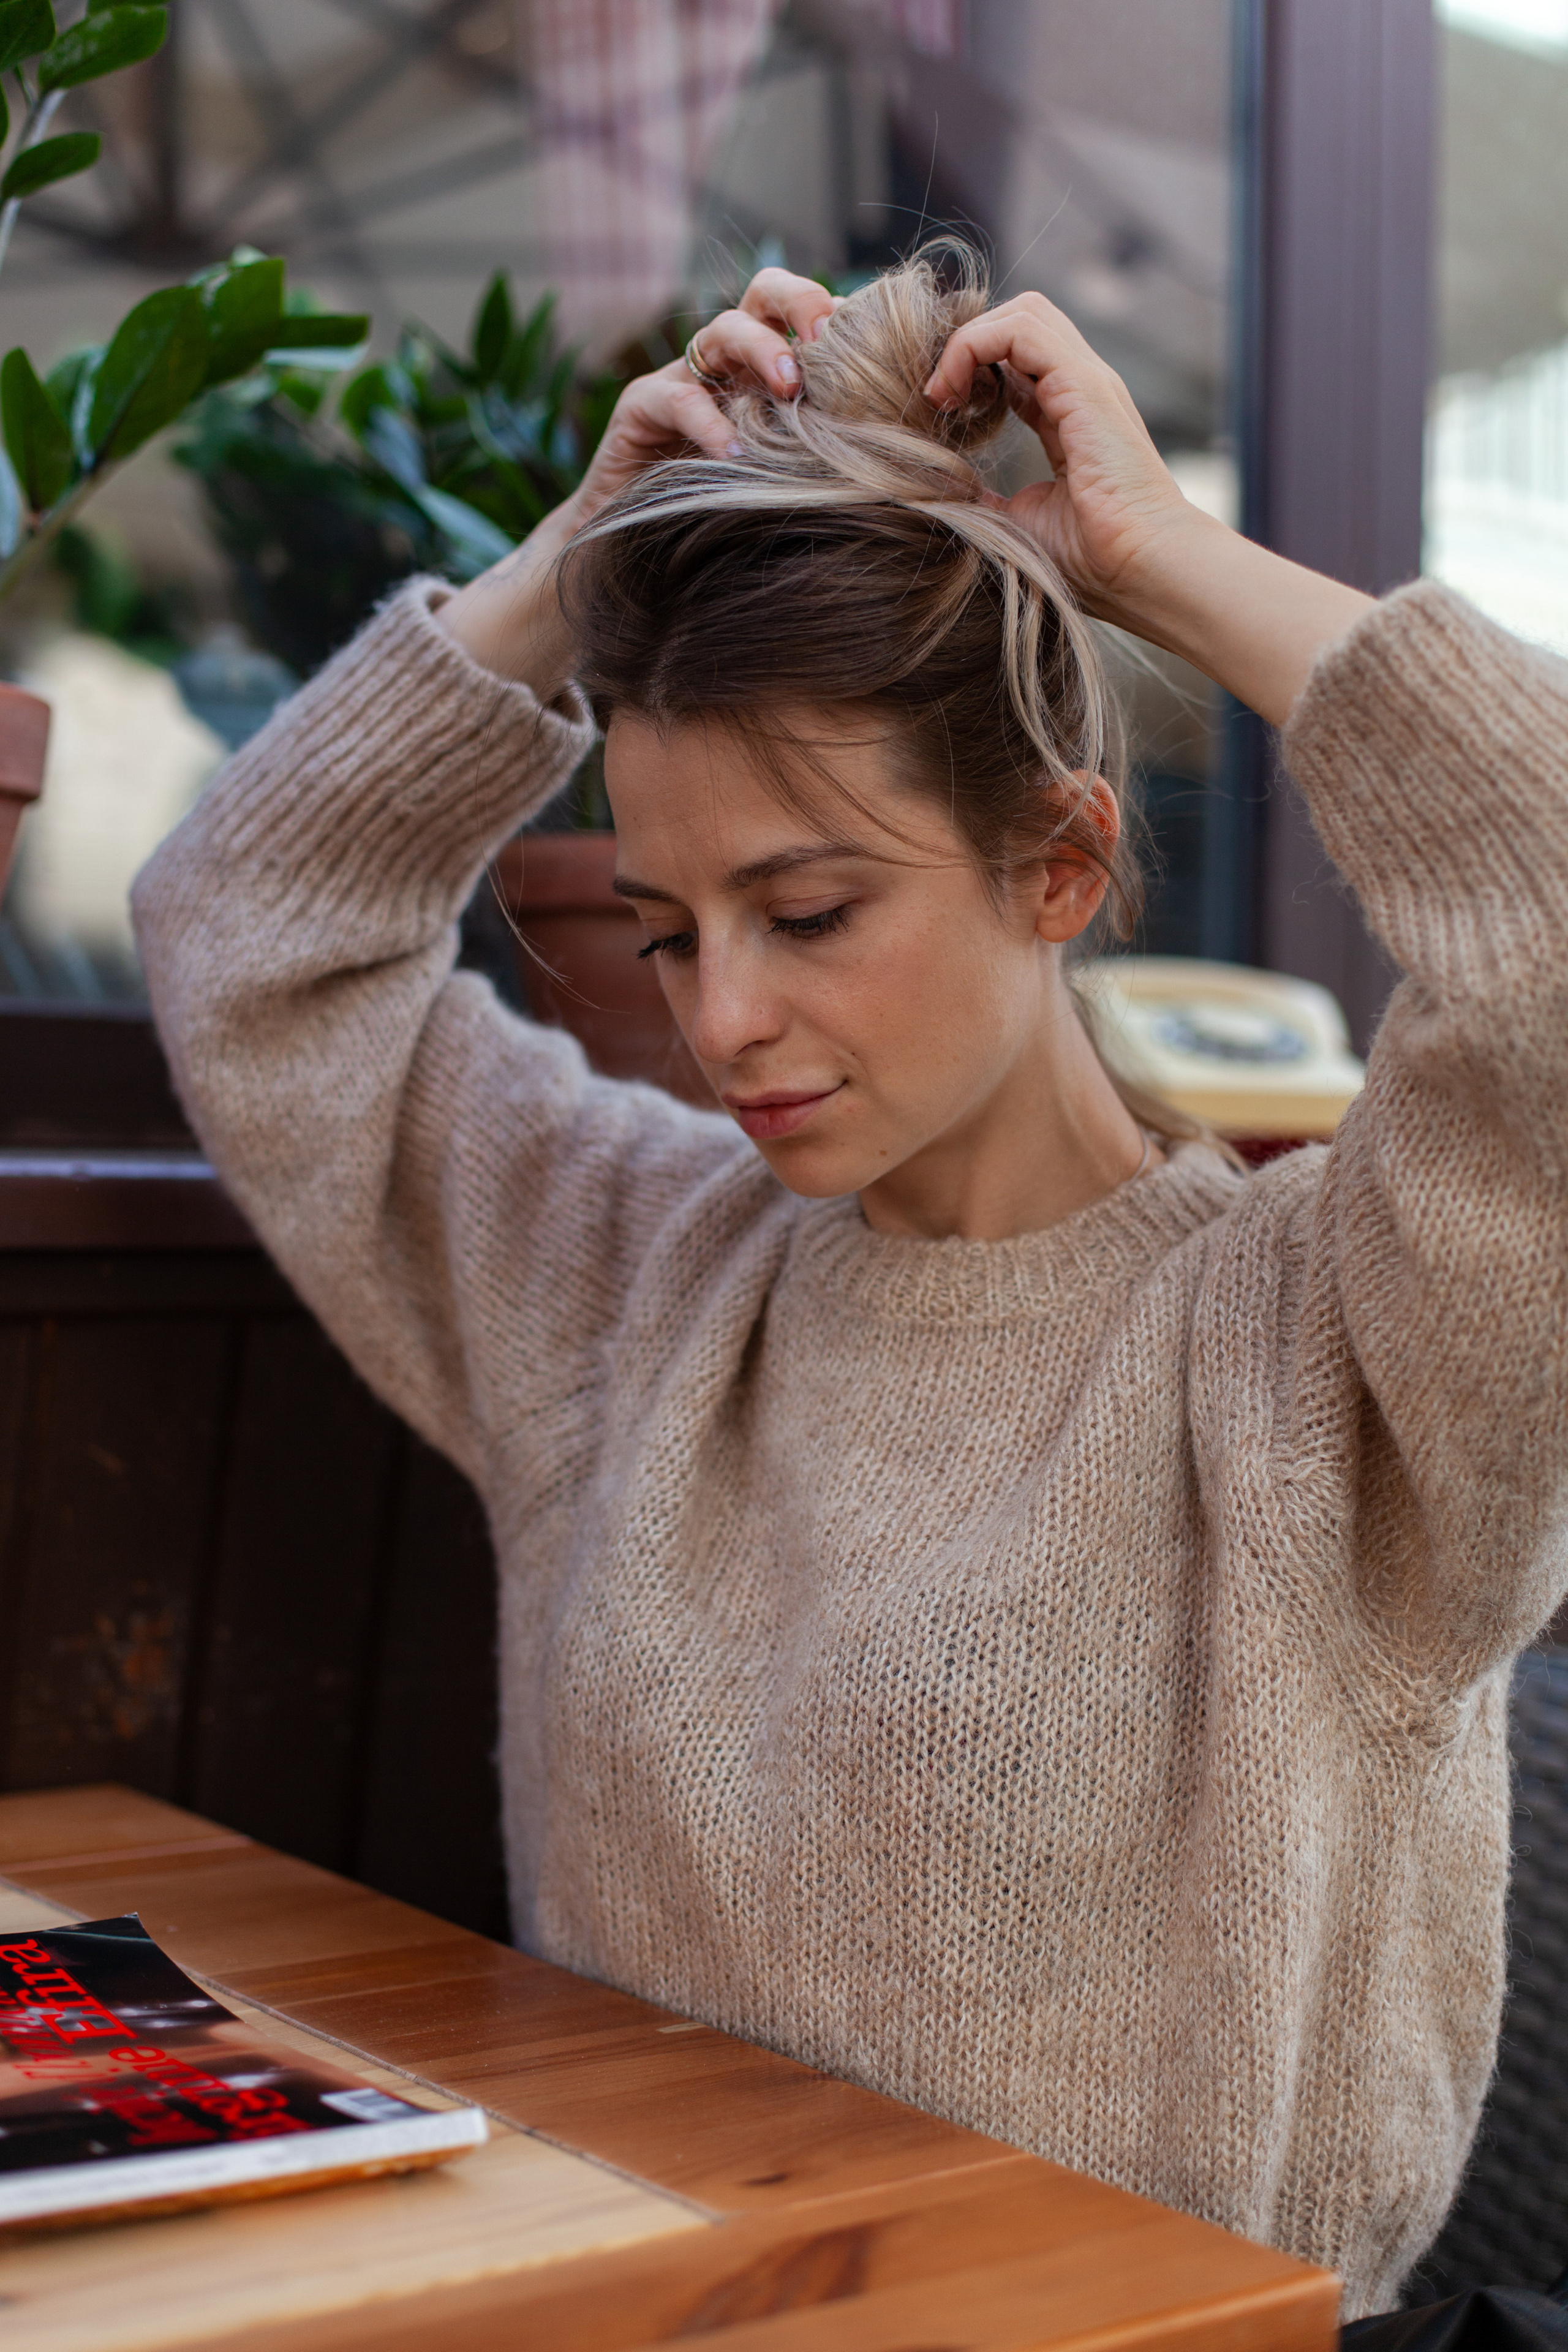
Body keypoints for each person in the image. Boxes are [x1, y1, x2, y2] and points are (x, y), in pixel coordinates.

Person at [133, 248, 1568, 2321]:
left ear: (1059, 867)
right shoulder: (625, 1279)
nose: (725, 1019)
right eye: (663, 927)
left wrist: (1155, 559)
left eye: (806, 910)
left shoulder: (1332, 1360)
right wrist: (572, 564)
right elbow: (248, 926)